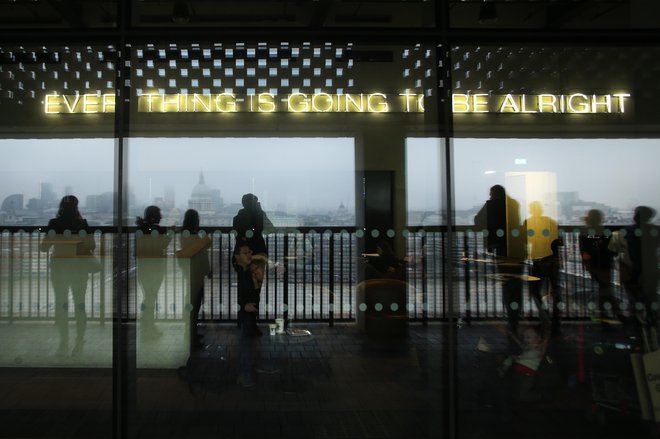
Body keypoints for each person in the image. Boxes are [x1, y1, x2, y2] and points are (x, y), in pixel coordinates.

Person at [40, 195, 96, 357]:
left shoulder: (54, 224)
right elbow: (91, 246)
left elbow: (44, 248)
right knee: (80, 306)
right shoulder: (82, 224)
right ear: (77, 208)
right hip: (79, 268)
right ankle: (79, 342)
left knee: (61, 305)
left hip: (59, 268)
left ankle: (63, 343)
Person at [474, 185, 526, 338]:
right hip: (518, 250)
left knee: (507, 285)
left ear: (494, 194)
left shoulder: (492, 205)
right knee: (516, 286)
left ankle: (511, 318)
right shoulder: (514, 204)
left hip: (502, 250)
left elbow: (478, 220)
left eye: (491, 194)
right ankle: (515, 318)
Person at [523, 201, 562, 337]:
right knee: (556, 291)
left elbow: (525, 240)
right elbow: (559, 241)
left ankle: (545, 318)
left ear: (531, 210)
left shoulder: (528, 222)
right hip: (553, 259)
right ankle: (556, 322)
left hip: (539, 260)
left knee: (535, 290)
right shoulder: (551, 222)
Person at [135, 205, 172, 339]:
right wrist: (170, 235)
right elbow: (161, 245)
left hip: (144, 267)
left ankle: (147, 327)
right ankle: (148, 329)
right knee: (150, 298)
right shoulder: (154, 230)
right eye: (159, 214)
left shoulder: (141, 228)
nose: (161, 217)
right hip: (154, 268)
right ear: (153, 216)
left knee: (148, 298)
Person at [178, 209, 211, 350]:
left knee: (194, 302)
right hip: (195, 271)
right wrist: (205, 240)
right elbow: (200, 250)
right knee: (194, 303)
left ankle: (191, 333)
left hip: (193, 271)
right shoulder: (192, 236)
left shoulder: (187, 234)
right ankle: (191, 336)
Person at [579, 209, 619, 324]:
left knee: (604, 289)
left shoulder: (584, 231)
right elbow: (613, 249)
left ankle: (605, 314)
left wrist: (586, 263)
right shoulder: (606, 231)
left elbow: (584, 251)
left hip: (593, 265)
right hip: (605, 264)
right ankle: (614, 313)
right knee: (605, 289)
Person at [232, 193, 273, 262]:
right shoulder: (258, 216)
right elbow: (270, 229)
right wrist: (260, 213)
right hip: (258, 250)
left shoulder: (237, 218)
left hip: (243, 253)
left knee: (244, 272)